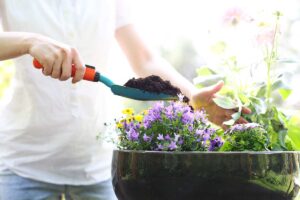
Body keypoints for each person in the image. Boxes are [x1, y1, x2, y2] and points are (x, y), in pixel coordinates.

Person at [0, 0, 251, 199]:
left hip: (99, 166)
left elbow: (145, 59)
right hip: (23, 164)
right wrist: (28, 41)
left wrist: (191, 99)